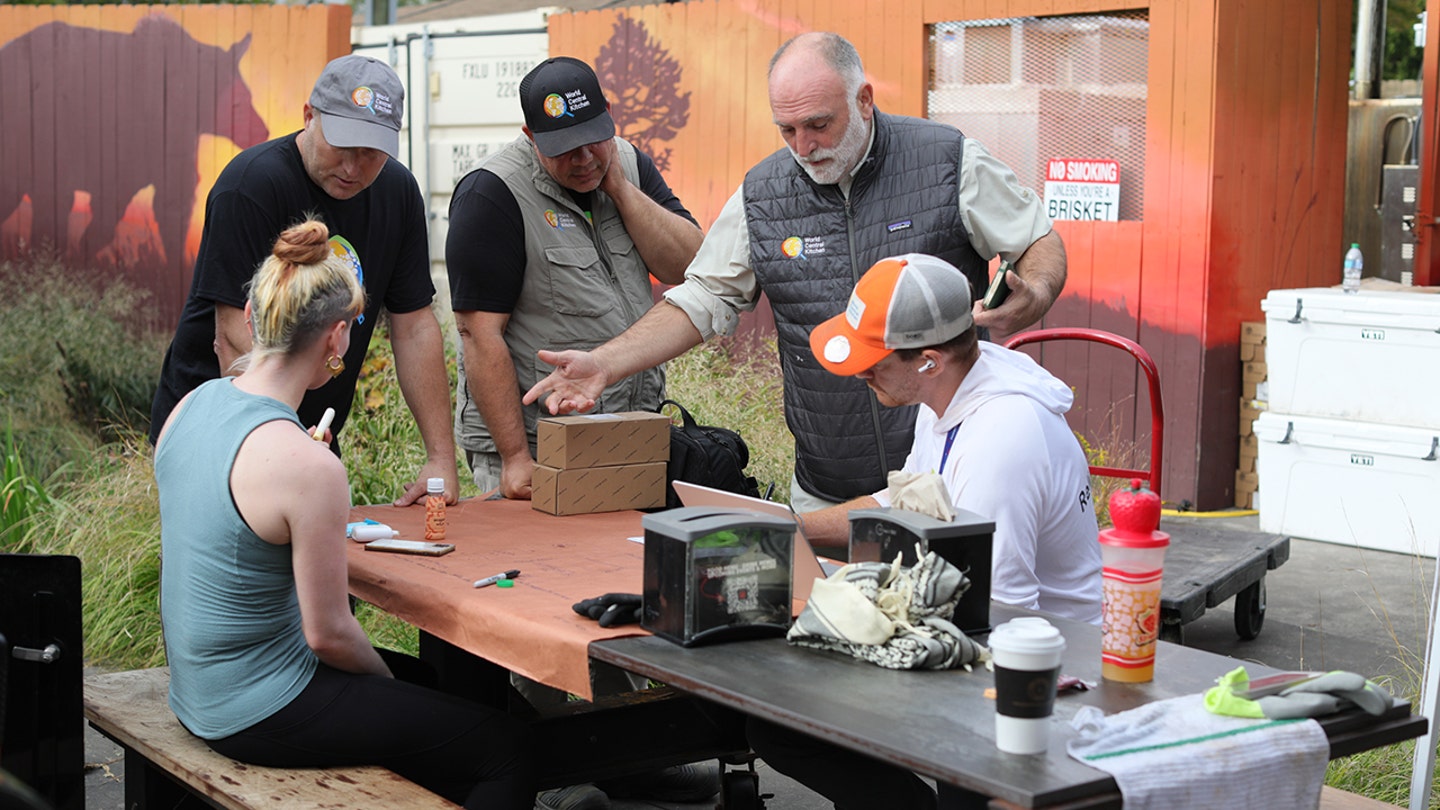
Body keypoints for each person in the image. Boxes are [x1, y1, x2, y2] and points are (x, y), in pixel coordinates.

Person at [523, 31, 1066, 515]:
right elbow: (703, 297)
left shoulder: (947, 160)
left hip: (954, 475)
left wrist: (1036, 290)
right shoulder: (762, 193)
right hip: (828, 489)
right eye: (786, 130)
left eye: (819, 125)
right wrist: (603, 364)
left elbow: (1037, 240)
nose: (804, 147)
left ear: (864, 100)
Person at [153, 220, 536, 809]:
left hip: (200, 687)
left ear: (256, 318)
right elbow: (328, 634)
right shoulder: (306, 465)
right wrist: (378, 689)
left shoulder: (190, 406)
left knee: (433, 688)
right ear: (337, 339)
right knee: (505, 747)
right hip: (258, 706)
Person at [747, 253, 1101, 810]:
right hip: (974, 620)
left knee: (798, 705)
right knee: (775, 718)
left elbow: (993, 610)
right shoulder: (946, 395)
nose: (862, 375)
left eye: (873, 361)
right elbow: (904, 501)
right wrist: (787, 529)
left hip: (1044, 670)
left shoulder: (1001, 438)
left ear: (930, 360)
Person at [149, 53, 458, 506]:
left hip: (312, 428)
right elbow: (235, 334)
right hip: (215, 424)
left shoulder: (399, 193)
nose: (353, 168)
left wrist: (440, 459)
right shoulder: (251, 185)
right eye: (342, 146)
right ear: (308, 116)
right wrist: (280, 440)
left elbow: (413, 327)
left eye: (371, 153)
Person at [447, 56, 702, 500]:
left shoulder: (628, 163)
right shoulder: (490, 194)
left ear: (608, 113)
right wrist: (513, 457)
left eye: (593, 139)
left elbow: (688, 264)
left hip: (628, 428)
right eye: (565, 147)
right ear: (530, 137)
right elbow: (478, 335)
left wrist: (620, 188)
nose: (584, 158)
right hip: (536, 441)